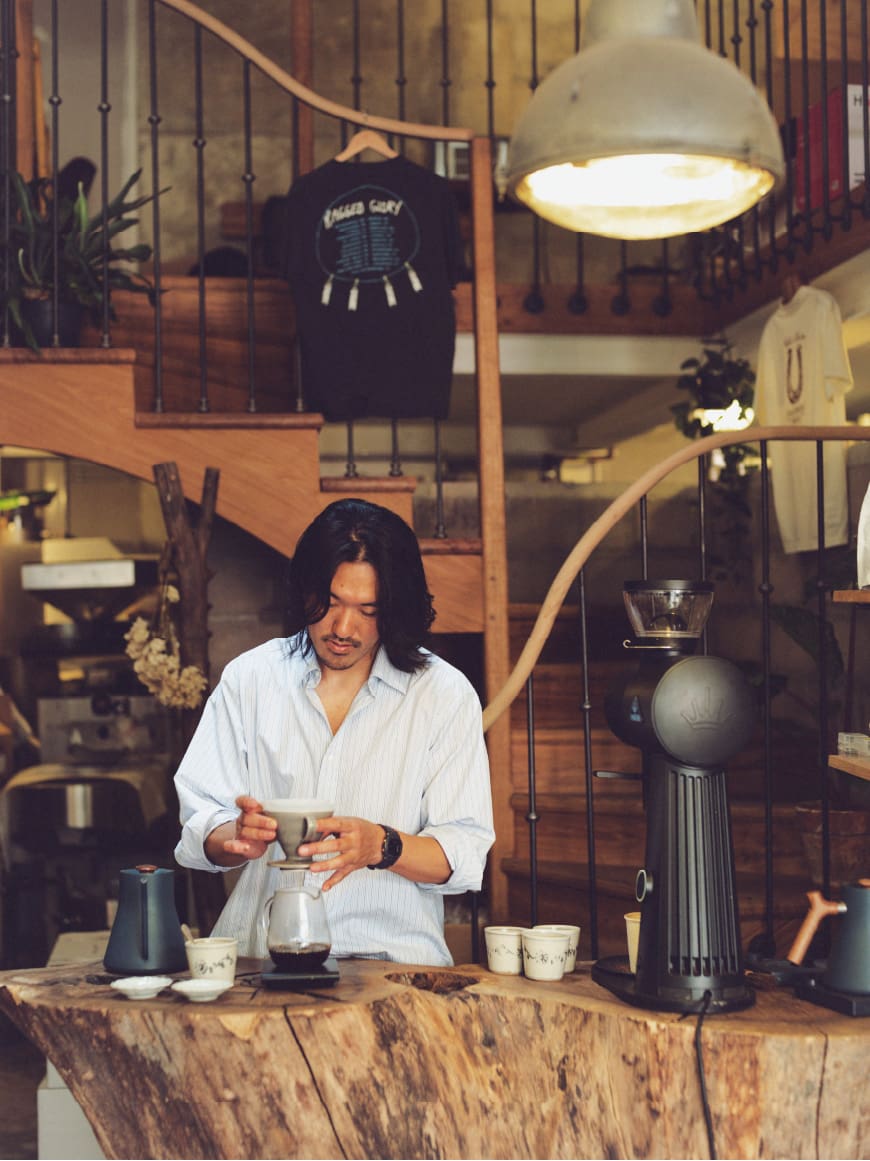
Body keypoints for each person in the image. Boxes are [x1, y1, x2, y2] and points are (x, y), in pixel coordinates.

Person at [174, 498, 494, 966]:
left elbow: (462, 853)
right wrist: (234, 836)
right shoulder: (252, 679)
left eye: (368, 610)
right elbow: (199, 824)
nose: (343, 628)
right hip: (259, 961)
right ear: (305, 589)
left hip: (393, 966)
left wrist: (381, 846)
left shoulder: (442, 695)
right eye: (331, 602)